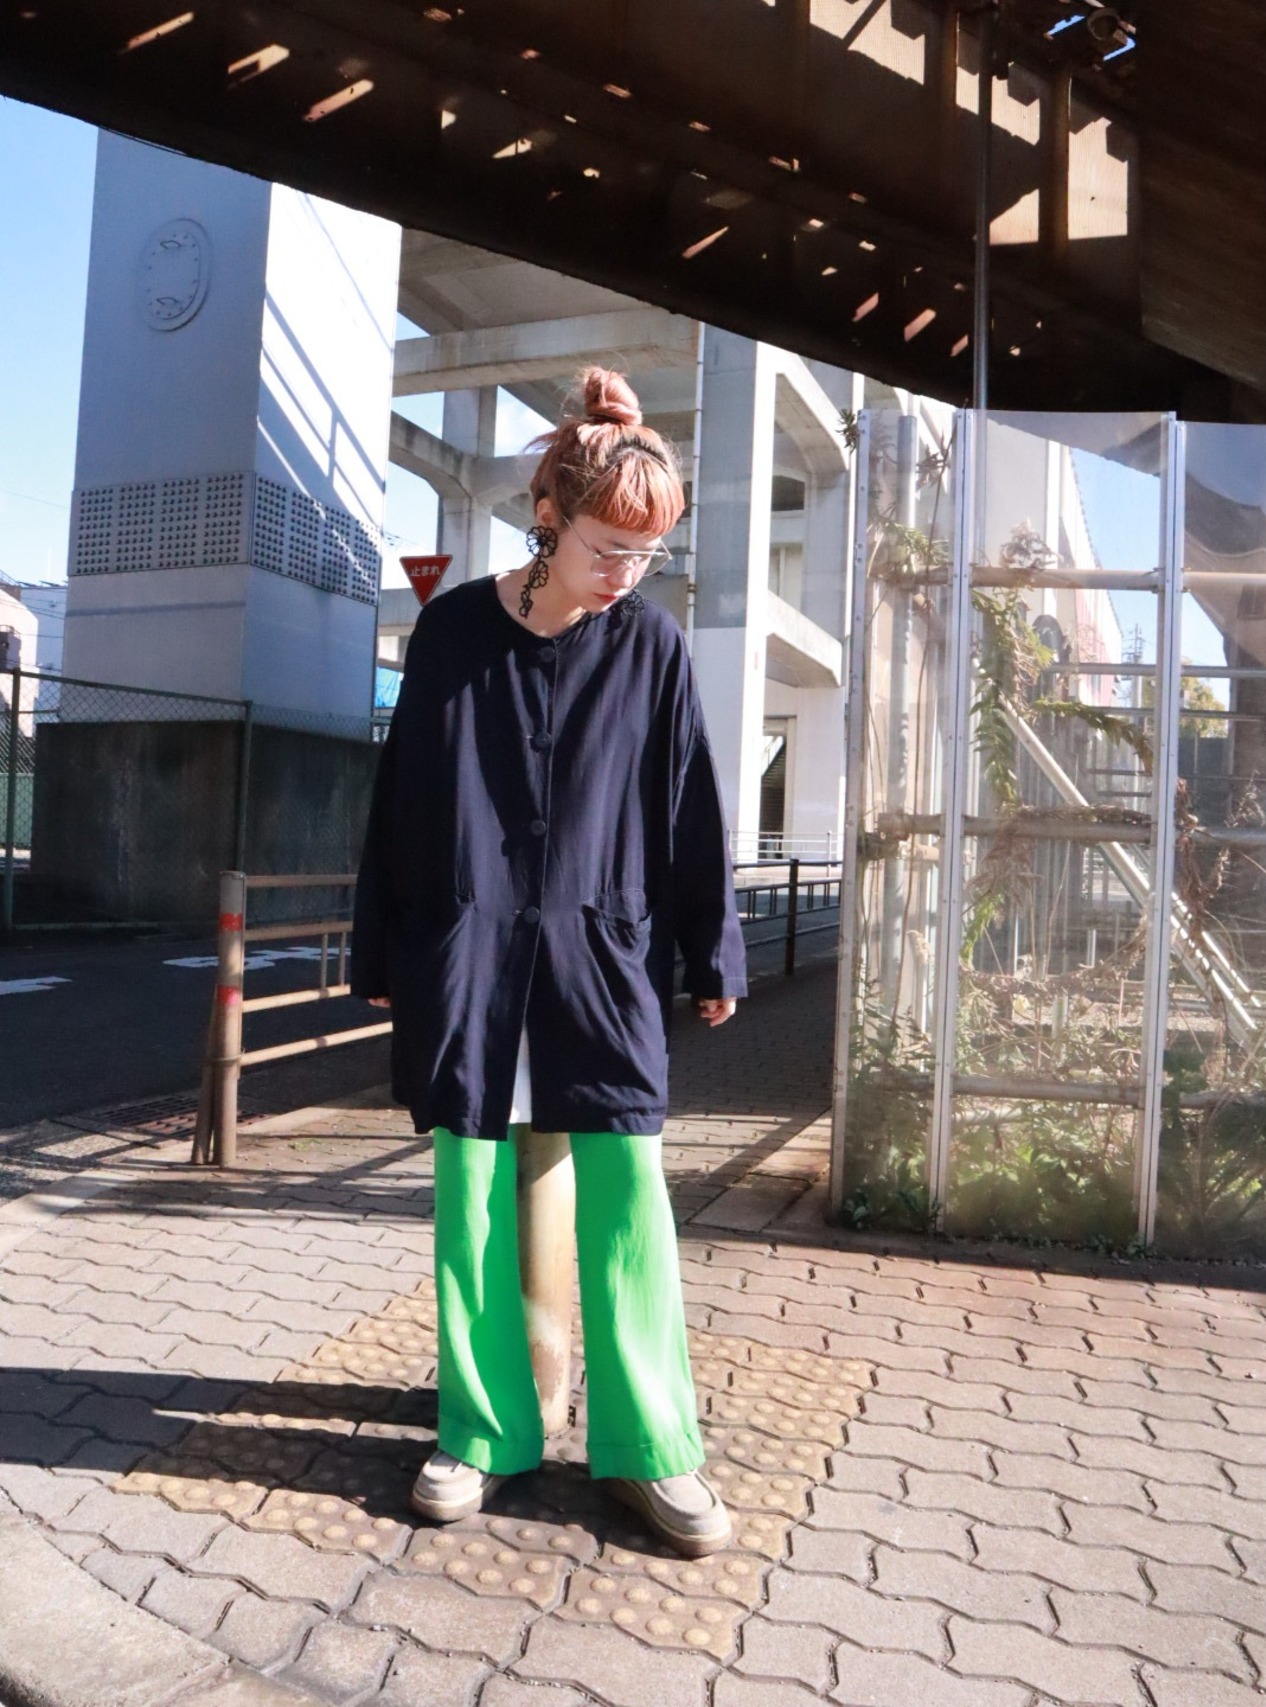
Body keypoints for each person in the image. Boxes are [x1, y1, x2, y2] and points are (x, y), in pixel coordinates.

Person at [351, 366, 748, 1558]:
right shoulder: (452, 632)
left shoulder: (651, 647)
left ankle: (650, 1446)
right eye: (606, 547)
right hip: (467, 953)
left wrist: (710, 949)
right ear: (546, 517)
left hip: (598, 957)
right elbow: (402, 795)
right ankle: (482, 1431)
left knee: (629, 1202)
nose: (626, 572)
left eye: (648, 553)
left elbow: (687, 804)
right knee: (471, 1198)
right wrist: (381, 944)